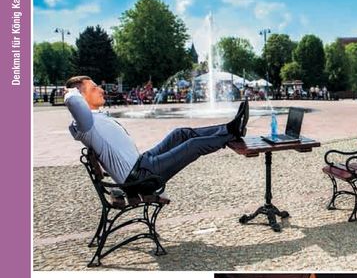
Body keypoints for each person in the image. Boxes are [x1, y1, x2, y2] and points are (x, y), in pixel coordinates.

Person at [64, 75, 249, 194]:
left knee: (180, 134)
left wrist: (79, 90)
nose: (101, 90)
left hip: (142, 163)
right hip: (140, 179)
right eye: (94, 88)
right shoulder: (85, 124)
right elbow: (73, 101)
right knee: (192, 146)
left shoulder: (91, 120)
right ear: (81, 96)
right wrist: (70, 90)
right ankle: (231, 135)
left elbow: (77, 103)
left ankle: (228, 128)